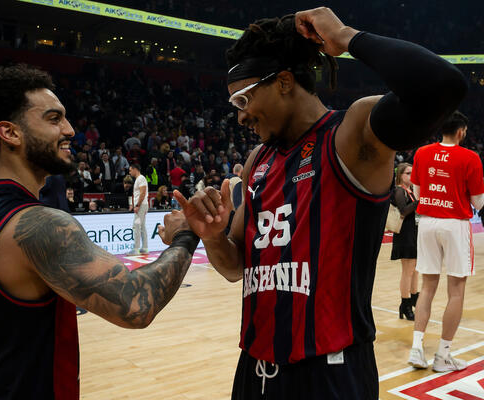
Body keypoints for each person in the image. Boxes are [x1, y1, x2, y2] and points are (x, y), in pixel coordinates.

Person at [173, 8, 467, 400]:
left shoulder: (352, 135)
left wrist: (346, 36)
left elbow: (444, 84)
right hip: (255, 367)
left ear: (283, 82)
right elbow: (234, 267)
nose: (240, 116)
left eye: (244, 99)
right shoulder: (258, 161)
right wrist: (212, 237)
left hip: (332, 372)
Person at [0, 65, 200, 399]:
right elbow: (136, 304)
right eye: (54, 119)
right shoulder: (38, 225)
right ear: (10, 132)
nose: (70, 130)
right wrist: (186, 235)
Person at [408, 111, 484, 372]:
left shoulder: (421, 153)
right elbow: (478, 202)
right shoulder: (470, 157)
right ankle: (442, 356)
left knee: (427, 287)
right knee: (456, 291)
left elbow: (417, 192)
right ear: (461, 131)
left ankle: (416, 349)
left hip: (427, 223)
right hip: (454, 224)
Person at [390, 163, 419, 320]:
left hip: (415, 233)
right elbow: (404, 210)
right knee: (408, 271)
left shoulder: (412, 190)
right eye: (408, 173)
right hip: (405, 234)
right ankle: (405, 303)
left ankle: (414, 298)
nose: (411, 176)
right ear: (400, 175)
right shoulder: (399, 190)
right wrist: (420, 200)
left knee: (416, 269)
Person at [128, 163, 149, 255]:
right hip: (142, 205)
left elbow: (142, 193)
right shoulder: (139, 179)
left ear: (135, 169)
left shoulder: (141, 178)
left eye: (130, 170)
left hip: (141, 205)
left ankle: (136, 249)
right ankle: (144, 248)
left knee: (136, 226)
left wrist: (137, 205)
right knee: (142, 226)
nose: (129, 172)